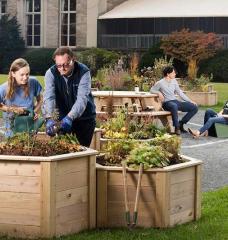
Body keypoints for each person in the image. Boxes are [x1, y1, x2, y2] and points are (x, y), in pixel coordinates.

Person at [43, 47, 96, 147]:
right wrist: (49, 117)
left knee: (81, 152)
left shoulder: (83, 72)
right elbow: (49, 97)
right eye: (58, 65)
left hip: (84, 119)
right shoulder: (50, 73)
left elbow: (82, 99)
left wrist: (70, 117)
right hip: (61, 119)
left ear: (73, 59)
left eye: (66, 64)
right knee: (62, 151)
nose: (62, 68)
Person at [0, 58, 43, 137]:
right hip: (12, 129)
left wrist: (35, 111)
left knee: (30, 146)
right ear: (13, 73)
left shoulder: (33, 82)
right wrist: (13, 109)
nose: (26, 77)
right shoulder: (3, 88)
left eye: (27, 74)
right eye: (22, 74)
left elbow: (40, 99)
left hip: (29, 127)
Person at [150, 66, 198, 135]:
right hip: (167, 103)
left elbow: (180, 93)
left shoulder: (174, 81)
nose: (175, 74)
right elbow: (152, 90)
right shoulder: (160, 83)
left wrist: (190, 101)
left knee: (194, 107)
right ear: (168, 74)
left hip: (175, 101)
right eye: (173, 73)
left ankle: (181, 123)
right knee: (174, 106)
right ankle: (177, 127)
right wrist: (159, 93)